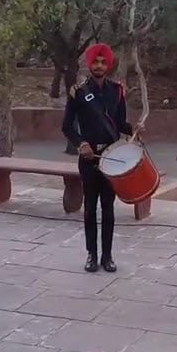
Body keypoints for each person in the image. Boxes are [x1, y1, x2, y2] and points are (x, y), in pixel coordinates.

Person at [61, 43, 134, 273]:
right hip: (89, 158)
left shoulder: (117, 91)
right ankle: (91, 254)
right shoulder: (78, 92)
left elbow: (119, 123)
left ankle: (107, 256)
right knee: (90, 208)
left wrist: (133, 129)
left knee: (108, 209)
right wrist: (80, 143)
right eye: (96, 62)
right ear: (89, 64)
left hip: (111, 157)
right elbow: (67, 126)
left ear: (108, 65)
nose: (99, 66)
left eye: (103, 62)